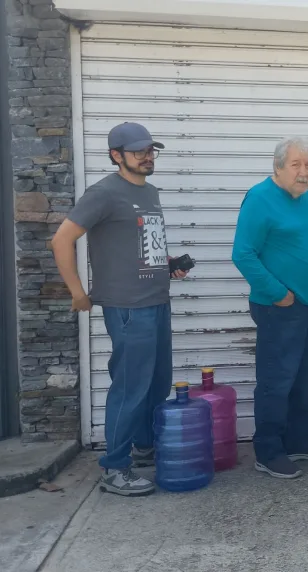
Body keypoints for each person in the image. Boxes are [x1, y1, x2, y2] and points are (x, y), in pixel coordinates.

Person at [52, 122, 188, 496]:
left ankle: (144, 446)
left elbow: (143, 243)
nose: (147, 157)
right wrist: (77, 291)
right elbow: (62, 239)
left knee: (156, 384)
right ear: (116, 155)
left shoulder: (151, 193)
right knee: (130, 388)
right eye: (138, 151)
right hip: (128, 308)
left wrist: (168, 261)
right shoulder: (104, 194)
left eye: (150, 150)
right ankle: (114, 468)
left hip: (157, 301)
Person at [232, 137, 308, 479]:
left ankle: (296, 441)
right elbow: (242, 254)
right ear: (278, 167)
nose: (304, 172)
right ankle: (268, 450)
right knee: (276, 381)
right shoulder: (260, 199)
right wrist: (279, 293)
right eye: (296, 165)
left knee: (303, 378)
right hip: (278, 308)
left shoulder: (307, 200)